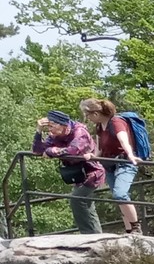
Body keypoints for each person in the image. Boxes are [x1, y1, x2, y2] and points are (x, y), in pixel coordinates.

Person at [31, 112, 106, 233]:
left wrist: (51, 150)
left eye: (52, 126)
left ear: (63, 125)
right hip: (79, 175)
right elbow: (37, 151)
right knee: (87, 207)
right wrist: (39, 130)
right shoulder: (55, 135)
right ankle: (96, 236)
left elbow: (73, 151)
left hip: (93, 173)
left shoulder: (79, 132)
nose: (50, 130)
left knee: (76, 199)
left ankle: (89, 235)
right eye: (48, 126)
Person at [79, 98, 142, 234]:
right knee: (119, 198)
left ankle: (136, 228)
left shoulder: (116, 122)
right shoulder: (99, 126)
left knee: (120, 194)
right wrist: (93, 156)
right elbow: (100, 149)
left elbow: (123, 140)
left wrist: (130, 155)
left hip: (124, 163)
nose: (87, 118)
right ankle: (129, 230)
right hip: (110, 165)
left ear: (95, 113)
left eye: (87, 115)